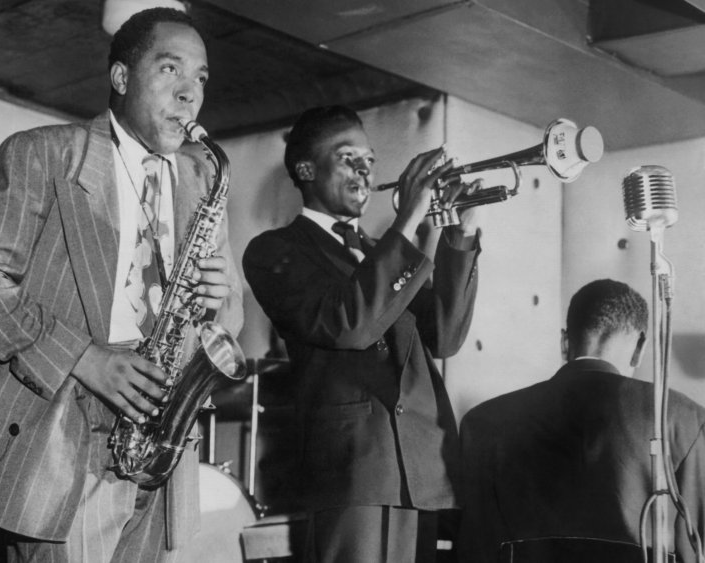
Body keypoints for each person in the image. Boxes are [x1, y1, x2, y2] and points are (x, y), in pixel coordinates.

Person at [0, 8, 242, 563]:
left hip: (163, 447)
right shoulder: (43, 153)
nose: (189, 94)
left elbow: (231, 323)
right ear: (121, 78)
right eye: (170, 70)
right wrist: (83, 358)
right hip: (64, 440)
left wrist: (219, 302)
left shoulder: (202, 178)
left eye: (200, 78)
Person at [241, 105, 483, 562]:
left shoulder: (384, 254)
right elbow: (347, 323)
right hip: (352, 469)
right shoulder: (274, 250)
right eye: (347, 156)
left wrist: (461, 233)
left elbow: (445, 336)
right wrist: (406, 222)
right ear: (306, 169)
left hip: (420, 468)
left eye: (369, 160)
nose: (364, 170)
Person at [459, 279, 705, 563]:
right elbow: (695, 546)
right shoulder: (685, 420)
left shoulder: (484, 421)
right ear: (640, 346)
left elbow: (475, 547)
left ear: (565, 342)